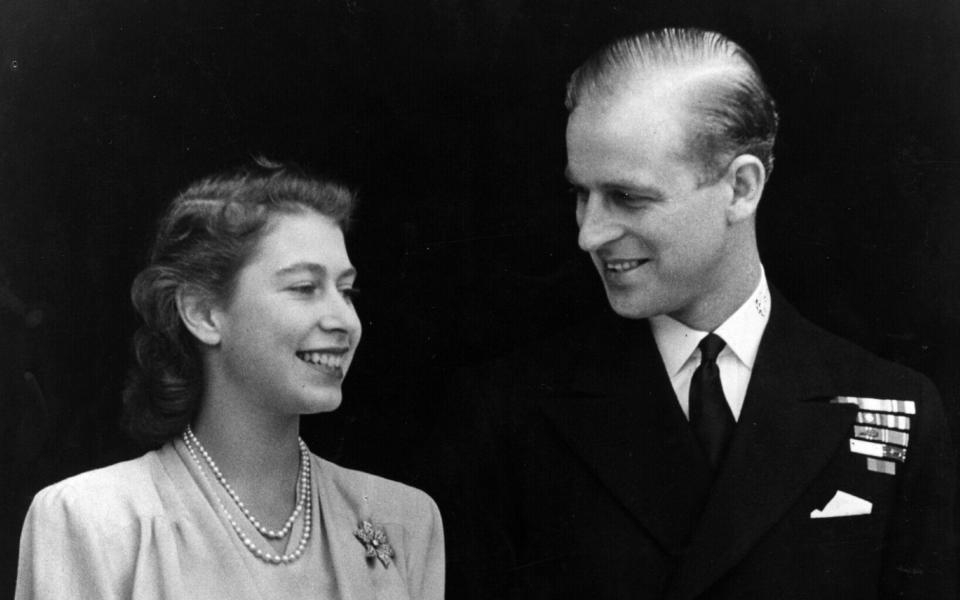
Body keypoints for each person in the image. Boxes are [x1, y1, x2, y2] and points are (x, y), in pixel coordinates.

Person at [432, 28, 956, 599]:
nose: (588, 234)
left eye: (628, 197)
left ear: (741, 188)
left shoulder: (895, 406)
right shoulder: (507, 412)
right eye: (581, 194)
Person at [15, 160, 444, 600]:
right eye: (304, 287)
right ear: (202, 313)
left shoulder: (404, 521)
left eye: (346, 291)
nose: (344, 321)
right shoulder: (96, 522)